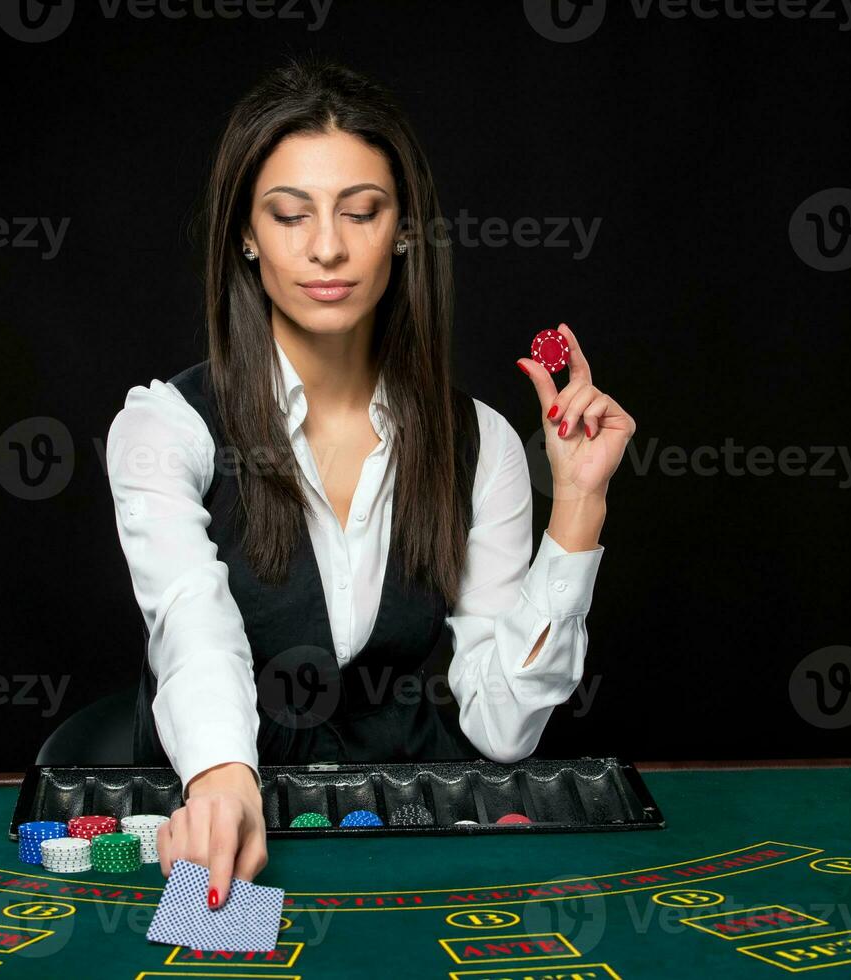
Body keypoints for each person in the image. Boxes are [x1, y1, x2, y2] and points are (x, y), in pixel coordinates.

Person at [104, 57, 634, 910]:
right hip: (223, 824)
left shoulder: (482, 444)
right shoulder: (164, 427)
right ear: (246, 233)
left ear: (402, 230)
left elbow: (501, 730)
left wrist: (577, 502)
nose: (327, 246)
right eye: (289, 214)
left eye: (361, 211)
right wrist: (223, 780)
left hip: (409, 838)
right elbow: (191, 625)